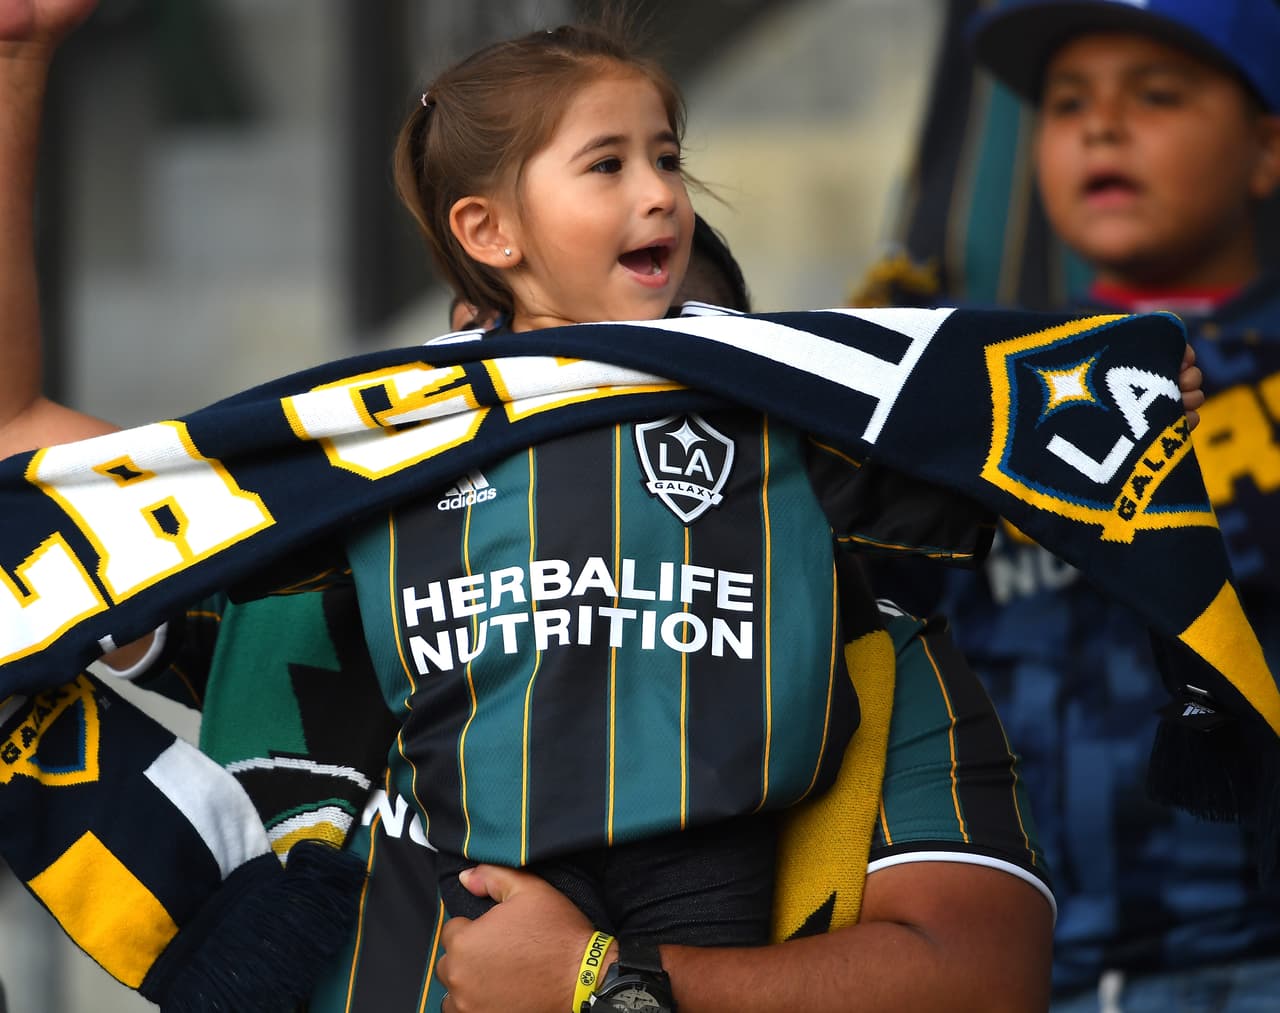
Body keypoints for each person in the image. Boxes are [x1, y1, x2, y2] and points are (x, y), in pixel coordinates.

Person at [0, 5, 1061, 1011]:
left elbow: (979, 977)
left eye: (666, 389)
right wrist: (15, 63)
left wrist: (599, 977)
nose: (581, 438)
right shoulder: (341, 547)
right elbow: (16, 429)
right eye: (515, 383)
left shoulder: (875, 657)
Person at [883, 0, 1280, 1008]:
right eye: (1065, 103)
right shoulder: (973, 394)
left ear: (1265, 149)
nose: (1101, 126)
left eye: (1154, 94)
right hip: (1022, 967)